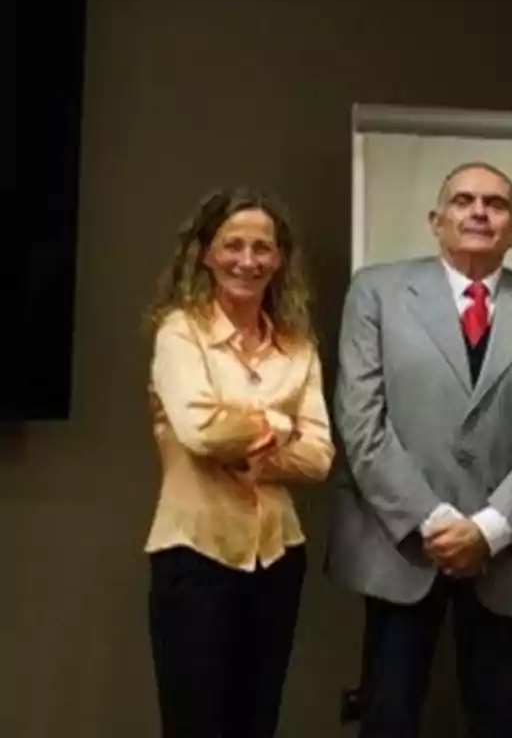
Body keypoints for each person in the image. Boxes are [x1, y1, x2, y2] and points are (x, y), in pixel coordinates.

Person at [326, 161, 512, 738]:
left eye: (494, 204)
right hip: (400, 546)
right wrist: (435, 522)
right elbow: (360, 420)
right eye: (463, 201)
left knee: (503, 717)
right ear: (435, 220)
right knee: (388, 715)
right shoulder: (377, 292)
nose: (477, 212)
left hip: (504, 550)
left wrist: (489, 529)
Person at [144, 187, 335, 738]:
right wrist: (277, 425)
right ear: (205, 252)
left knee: (257, 722)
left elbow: (320, 456)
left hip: (278, 557)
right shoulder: (181, 332)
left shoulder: (297, 347)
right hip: (194, 554)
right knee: (195, 724)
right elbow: (200, 431)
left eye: (262, 248)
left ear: (279, 259)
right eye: (232, 245)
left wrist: (248, 447)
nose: (247, 261)